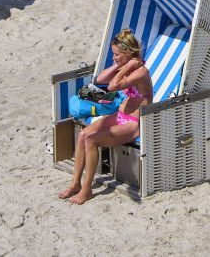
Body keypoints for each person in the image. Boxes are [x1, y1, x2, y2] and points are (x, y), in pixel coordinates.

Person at [59, 29, 153, 205]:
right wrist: (121, 65)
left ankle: (86, 190)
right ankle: (75, 184)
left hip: (134, 123)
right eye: (113, 54)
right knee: (83, 135)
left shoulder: (140, 72)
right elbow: (100, 79)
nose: (114, 58)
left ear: (128, 53)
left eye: (117, 55)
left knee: (92, 140)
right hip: (120, 115)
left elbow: (112, 86)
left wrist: (129, 66)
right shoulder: (126, 67)